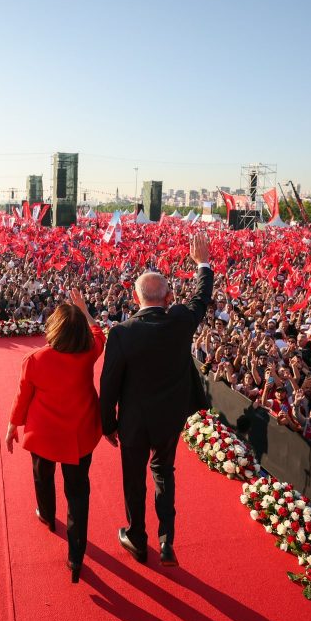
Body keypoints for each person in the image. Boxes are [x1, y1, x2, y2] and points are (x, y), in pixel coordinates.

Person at [99, 232, 213, 567]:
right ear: (168, 297)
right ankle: (167, 540)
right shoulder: (180, 321)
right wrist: (202, 263)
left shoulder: (122, 333)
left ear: (136, 299)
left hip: (134, 422)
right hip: (169, 418)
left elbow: (108, 385)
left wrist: (108, 425)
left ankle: (137, 538)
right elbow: (201, 298)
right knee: (164, 470)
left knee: (134, 480)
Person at [4, 289, 105, 583]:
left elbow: (23, 397)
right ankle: (76, 557)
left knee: (42, 476)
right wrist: (84, 309)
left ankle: (47, 515)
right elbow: (99, 332)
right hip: (80, 435)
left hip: (45, 434)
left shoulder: (35, 359)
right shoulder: (90, 351)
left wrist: (13, 425)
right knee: (78, 495)